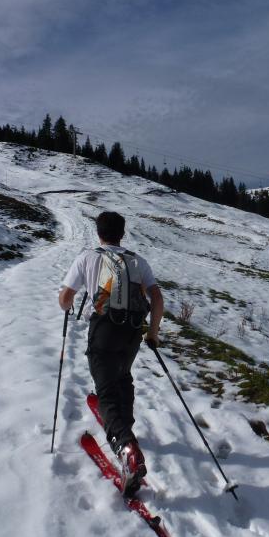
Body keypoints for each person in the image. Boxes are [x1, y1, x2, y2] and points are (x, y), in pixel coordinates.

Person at [59, 211, 163, 495]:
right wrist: (152, 333)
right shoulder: (137, 261)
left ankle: (125, 446)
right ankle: (126, 428)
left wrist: (67, 304)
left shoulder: (87, 257)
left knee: (105, 389)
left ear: (98, 233)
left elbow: (65, 299)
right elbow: (156, 297)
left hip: (104, 328)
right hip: (131, 331)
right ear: (122, 233)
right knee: (123, 377)